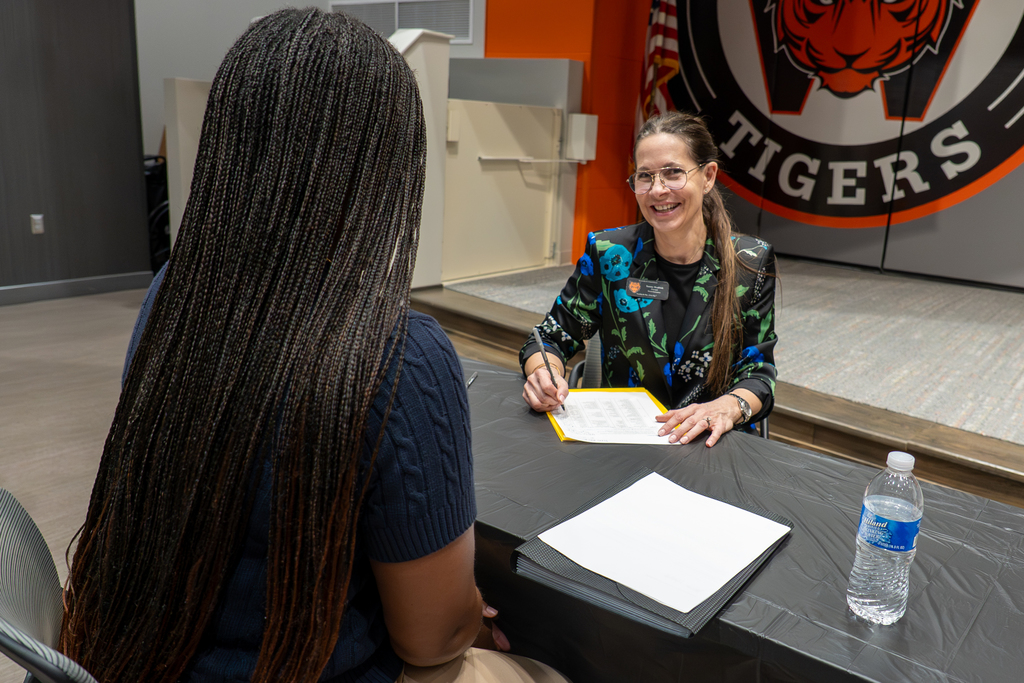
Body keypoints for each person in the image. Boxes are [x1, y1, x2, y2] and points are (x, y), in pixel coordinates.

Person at [59, 9, 568, 683]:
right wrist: (471, 612)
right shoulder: (402, 358)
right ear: (388, 172)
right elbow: (432, 639)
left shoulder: (170, 296)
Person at [521, 111, 777, 448]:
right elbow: (550, 336)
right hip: (622, 444)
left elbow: (758, 373)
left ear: (708, 176)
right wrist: (544, 373)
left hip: (708, 446)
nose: (658, 190)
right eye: (645, 176)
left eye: (673, 173)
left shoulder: (751, 262)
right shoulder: (610, 253)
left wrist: (728, 407)